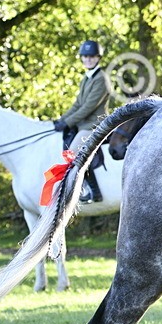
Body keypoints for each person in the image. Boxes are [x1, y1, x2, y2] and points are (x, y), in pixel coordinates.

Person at [53, 39, 109, 203]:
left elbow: (88, 107)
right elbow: (78, 104)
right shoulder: (87, 78)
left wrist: (68, 123)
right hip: (82, 123)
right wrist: (61, 120)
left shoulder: (101, 79)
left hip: (94, 124)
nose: (88, 59)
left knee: (73, 152)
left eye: (92, 56)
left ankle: (93, 191)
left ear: (98, 57)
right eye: (85, 56)